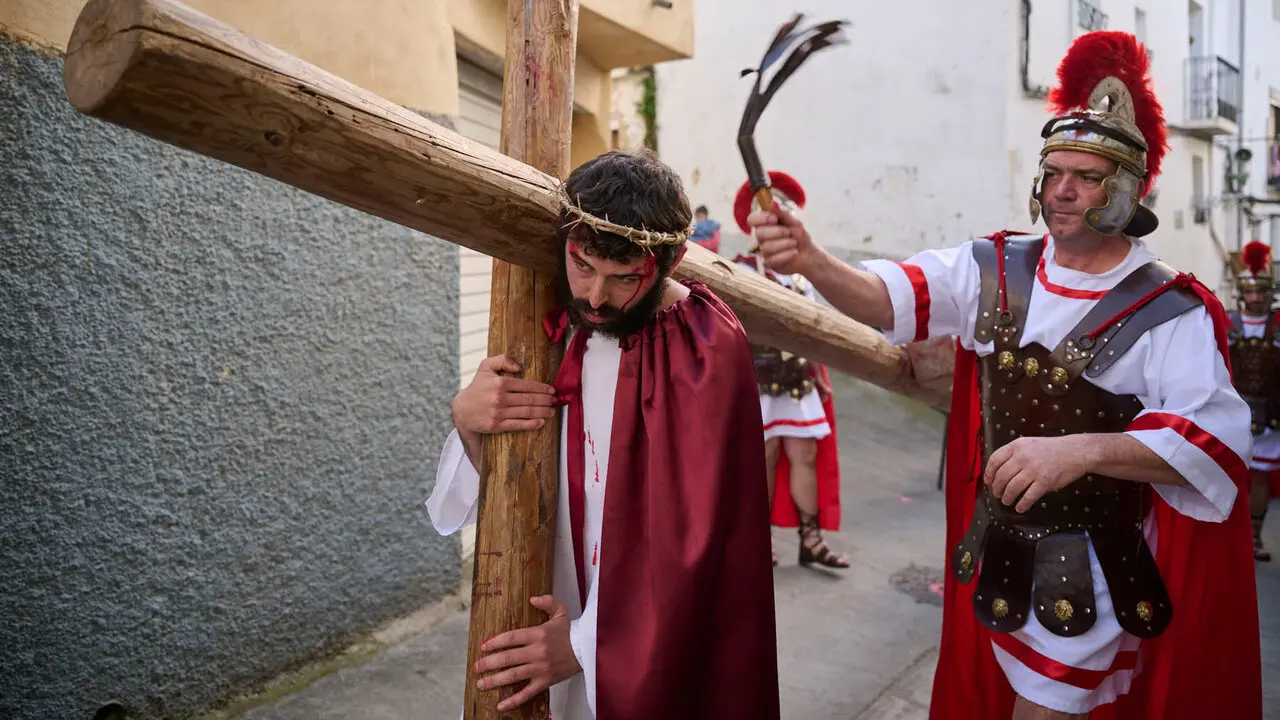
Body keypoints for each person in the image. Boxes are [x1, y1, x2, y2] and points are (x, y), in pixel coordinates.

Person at [747, 32, 1261, 719]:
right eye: (1053, 173)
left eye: (1084, 177)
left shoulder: (1168, 309)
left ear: (1127, 190)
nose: (1062, 191)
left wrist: (1084, 450)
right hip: (996, 549)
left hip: (1095, 572)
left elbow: (1218, 436)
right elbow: (887, 298)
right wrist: (812, 261)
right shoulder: (993, 267)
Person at [426, 149, 780, 719]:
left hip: (648, 642)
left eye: (623, 279)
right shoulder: (548, 319)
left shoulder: (708, 349)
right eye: (582, 265)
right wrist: (468, 420)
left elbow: (702, 542)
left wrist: (586, 645)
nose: (595, 297)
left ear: (672, 259)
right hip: (552, 593)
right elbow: (497, 482)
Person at [731, 170, 846, 569]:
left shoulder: (801, 273)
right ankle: (759, 543)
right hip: (757, 382)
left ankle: (810, 541)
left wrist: (817, 373)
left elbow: (812, 327)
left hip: (797, 382)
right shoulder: (740, 268)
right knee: (762, 458)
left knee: (805, 456)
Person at [1228, 240, 1278, 561]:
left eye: (1260, 291)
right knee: (1227, 473)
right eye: (1250, 291)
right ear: (1242, 292)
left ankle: (1254, 537)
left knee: (1259, 475)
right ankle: (1229, 538)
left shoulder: (1278, 324)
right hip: (1231, 409)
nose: (1255, 297)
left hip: (1272, 411)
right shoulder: (1227, 322)